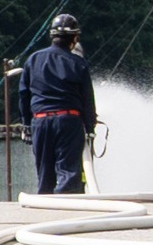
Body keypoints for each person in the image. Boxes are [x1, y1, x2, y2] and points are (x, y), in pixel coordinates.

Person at [14, 12, 96, 198]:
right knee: (68, 172)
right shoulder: (78, 63)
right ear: (74, 38)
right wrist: (90, 127)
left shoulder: (33, 59)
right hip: (69, 121)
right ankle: (67, 210)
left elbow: (24, 95)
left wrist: (26, 125)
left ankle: (45, 207)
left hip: (41, 122)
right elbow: (87, 99)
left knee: (44, 173)